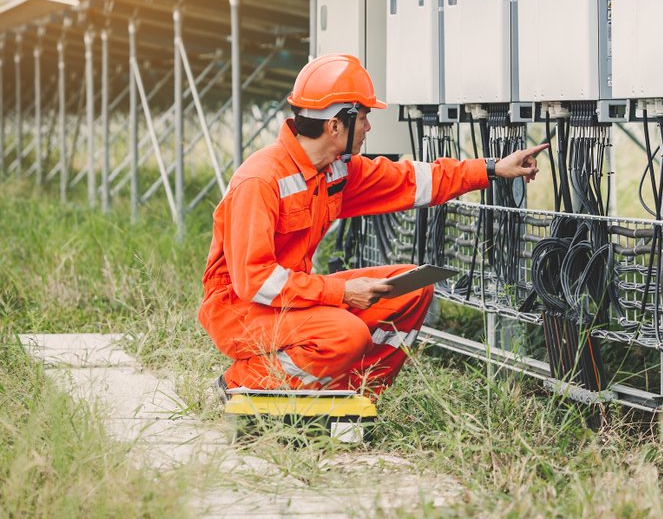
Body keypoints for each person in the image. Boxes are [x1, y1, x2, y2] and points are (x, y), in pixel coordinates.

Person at [199, 54, 546, 395]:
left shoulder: (333, 171)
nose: (368, 127)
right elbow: (255, 280)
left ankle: (352, 394)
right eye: (363, 117)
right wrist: (343, 292)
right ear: (335, 125)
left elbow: (412, 180)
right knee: (345, 334)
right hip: (240, 309)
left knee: (410, 288)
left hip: (292, 296)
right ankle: (243, 381)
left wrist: (492, 168)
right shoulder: (260, 180)